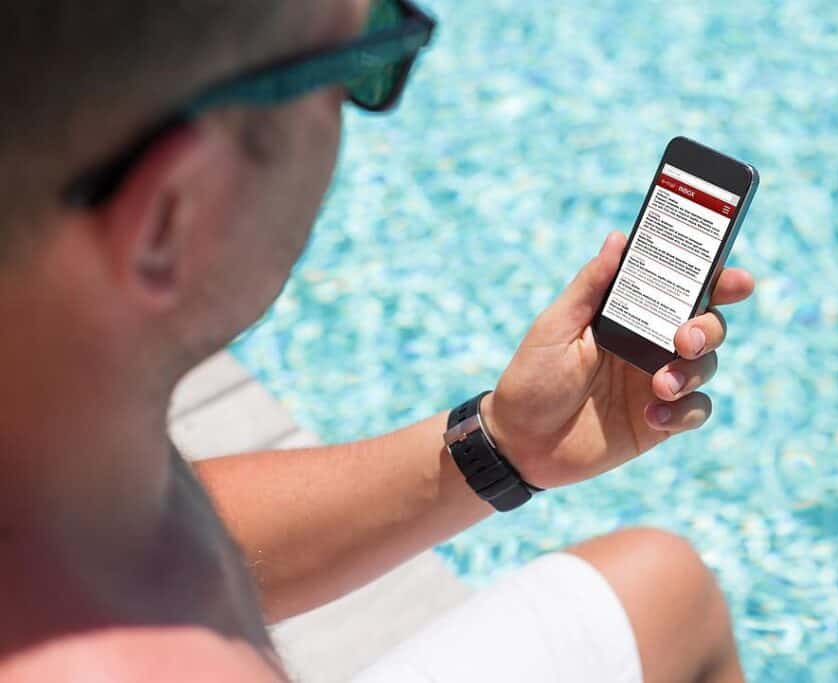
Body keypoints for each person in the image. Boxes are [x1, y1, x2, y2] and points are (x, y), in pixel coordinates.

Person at [0, 1, 756, 681]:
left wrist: (501, 446)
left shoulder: (61, 439)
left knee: (667, 589)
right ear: (170, 214)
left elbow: (146, 535)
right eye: (359, 66)